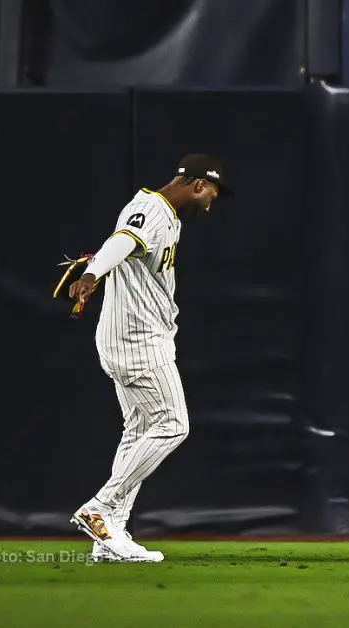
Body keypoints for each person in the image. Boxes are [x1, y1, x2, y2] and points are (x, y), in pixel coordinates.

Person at [68, 154, 232, 562]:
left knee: (139, 429)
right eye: (213, 190)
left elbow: (122, 246)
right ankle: (101, 507)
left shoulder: (167, 215)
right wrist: (92, 274)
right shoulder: (151, 208)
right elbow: (120, 241)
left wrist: (99, 268)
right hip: (137, 337)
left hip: (131, 335)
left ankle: (110, 535)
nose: (214, 199)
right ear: (197, 184)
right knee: (173, 425)